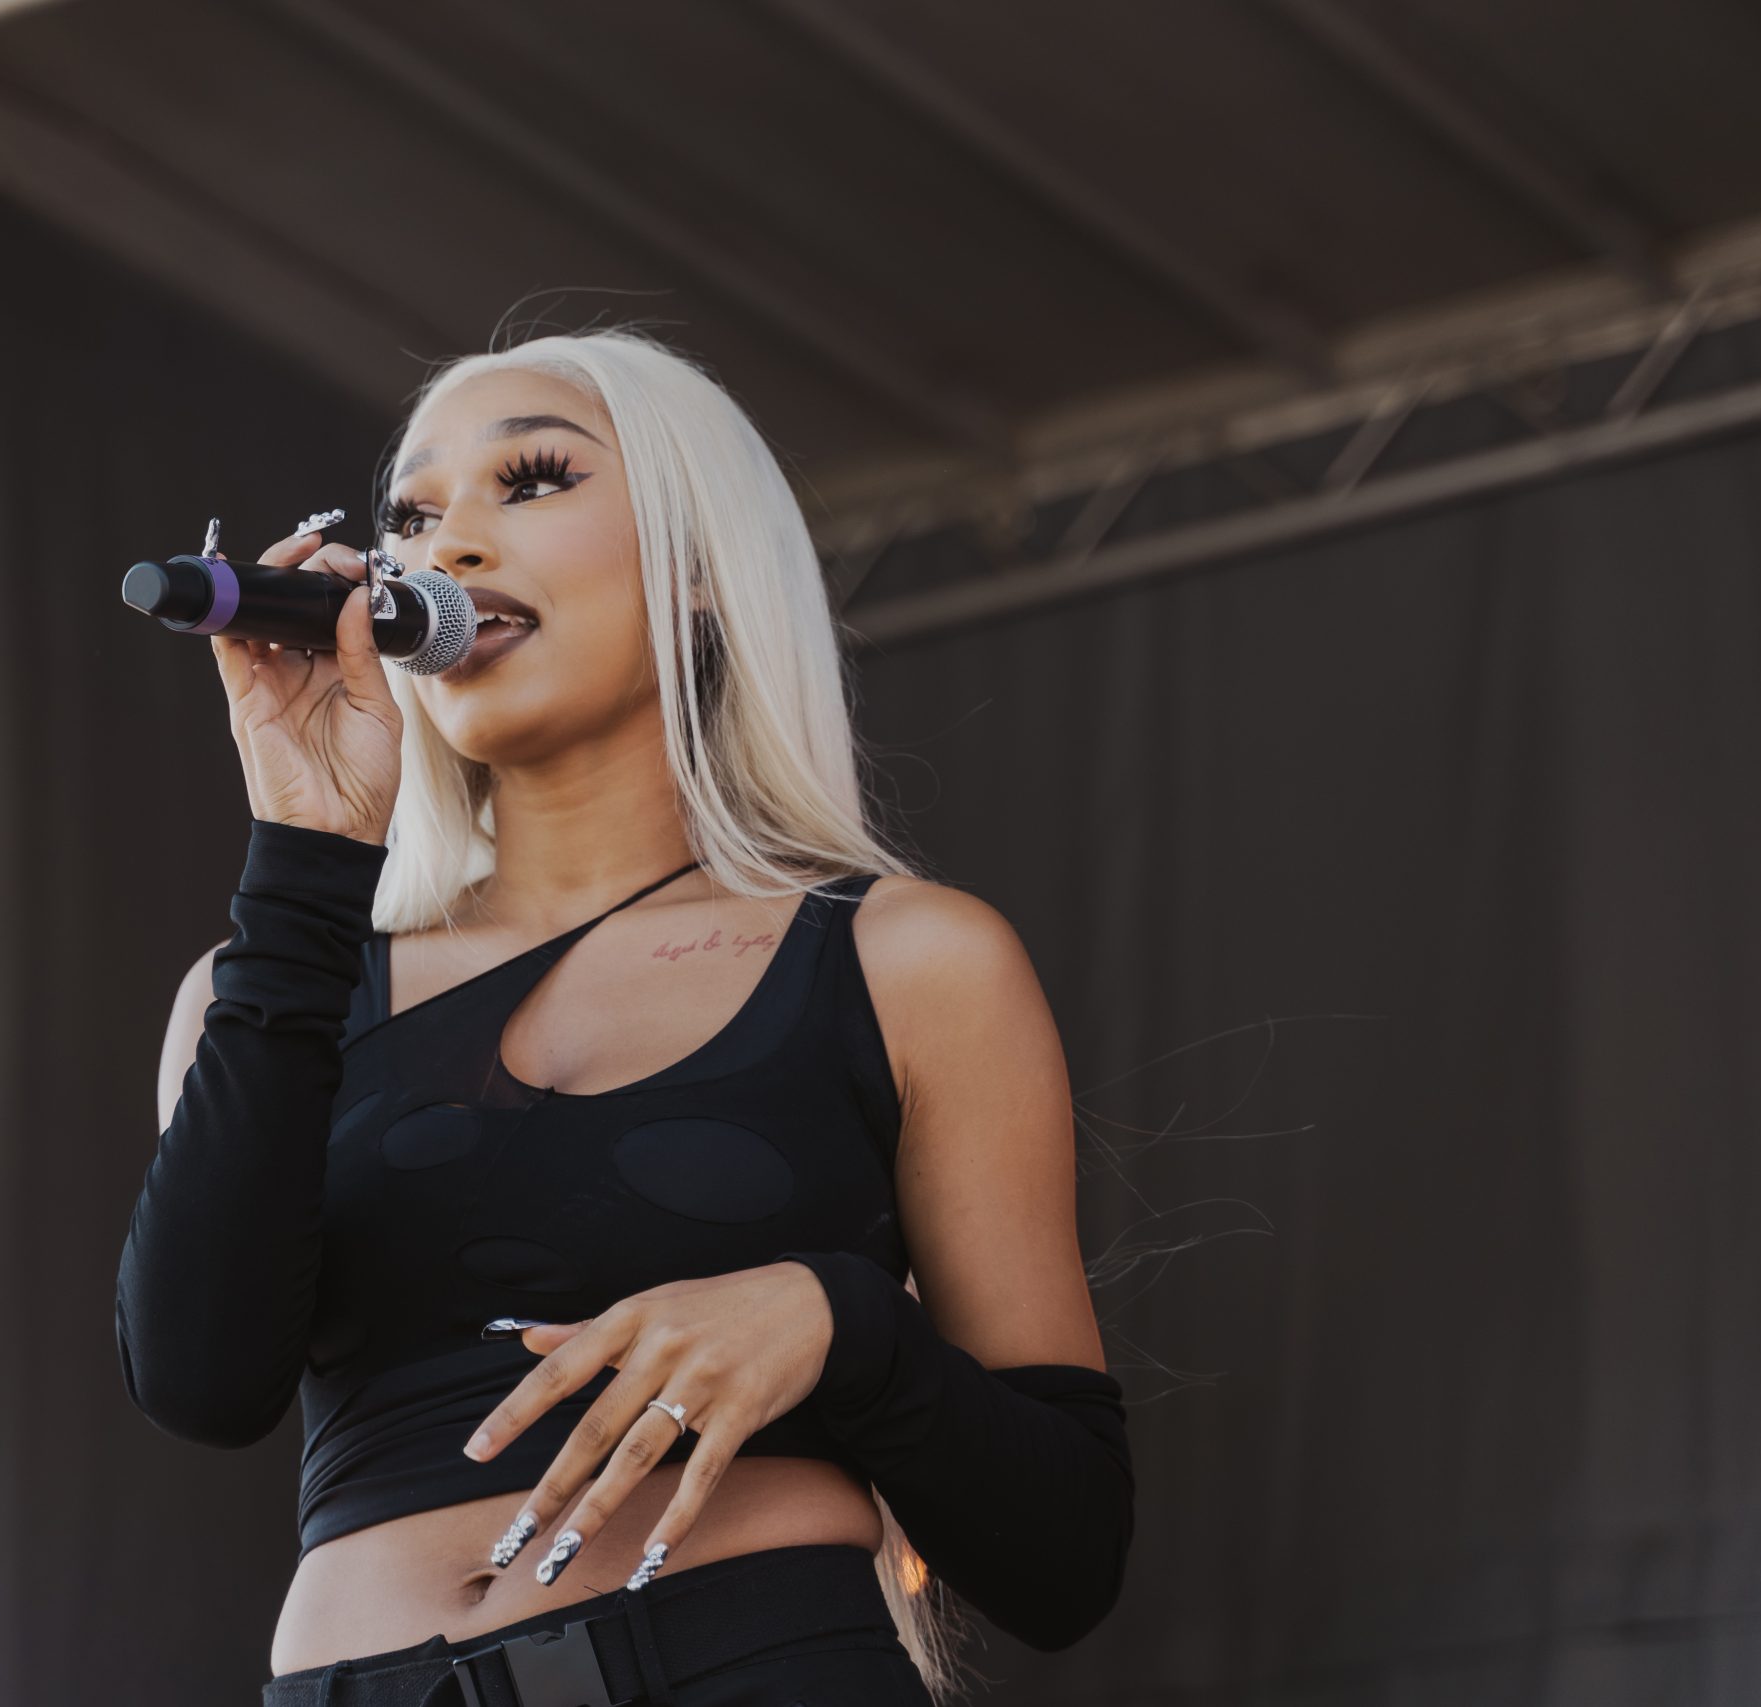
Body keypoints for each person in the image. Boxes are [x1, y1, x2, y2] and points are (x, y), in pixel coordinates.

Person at [118, 328, 1135, 1705]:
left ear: (701, 567)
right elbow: (200, 1382)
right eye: (410, 516)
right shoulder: (269, 985)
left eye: (531, 480)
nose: (446, 545)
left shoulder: (906, 960)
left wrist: (840, 1324)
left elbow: (1067, 1558)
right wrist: (306, 851)